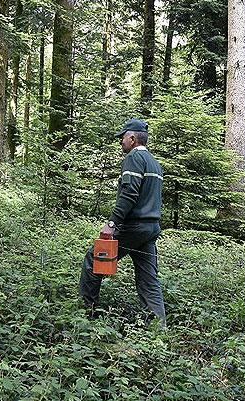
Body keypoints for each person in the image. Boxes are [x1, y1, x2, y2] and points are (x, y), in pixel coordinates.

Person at [78, 118, 167, 326]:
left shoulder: (134, 158)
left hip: (133, 226)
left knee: (94, 260)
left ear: (133, 138)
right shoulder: (154, 162)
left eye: (123, 137)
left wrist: (111, 224)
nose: (121, 142)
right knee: (148, 279)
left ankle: (86, 317)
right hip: (150, 229)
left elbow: (129, 194)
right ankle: (158, 328)